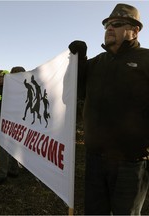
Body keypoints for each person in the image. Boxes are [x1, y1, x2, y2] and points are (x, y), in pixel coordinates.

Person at [68, 3, 149, 215]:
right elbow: (72, 91)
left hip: (131, 163)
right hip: (95, 158)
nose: (109, 28)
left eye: (117, 24)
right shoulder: (96, 63)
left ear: (135, 30)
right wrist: (78, 60)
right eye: (107, 25)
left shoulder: (147, 60)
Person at [0, 66, 26, 185]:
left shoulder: (13, 88)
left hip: (9, 123)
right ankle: (13, 170)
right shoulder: (21, 87)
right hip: (12, 123)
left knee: (3, 149)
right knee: (12, 148)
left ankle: (1, 174)